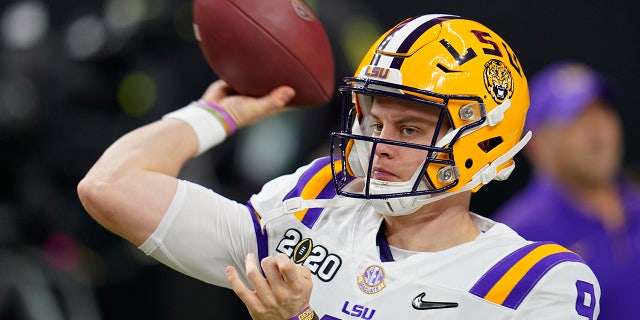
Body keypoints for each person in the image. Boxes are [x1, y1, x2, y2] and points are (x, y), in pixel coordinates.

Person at [77, 15, 601, 319]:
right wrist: (218, 112)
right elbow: (110, 185)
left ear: (483, 139)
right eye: (374, 123)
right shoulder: (316, 202)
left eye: (411, 129)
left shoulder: (535, 285)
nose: (379, 146)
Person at [494, 61, 639, 318]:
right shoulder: (517, 240)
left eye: (603, 111)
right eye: (576, 118)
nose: (598, 127)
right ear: (537, 145)